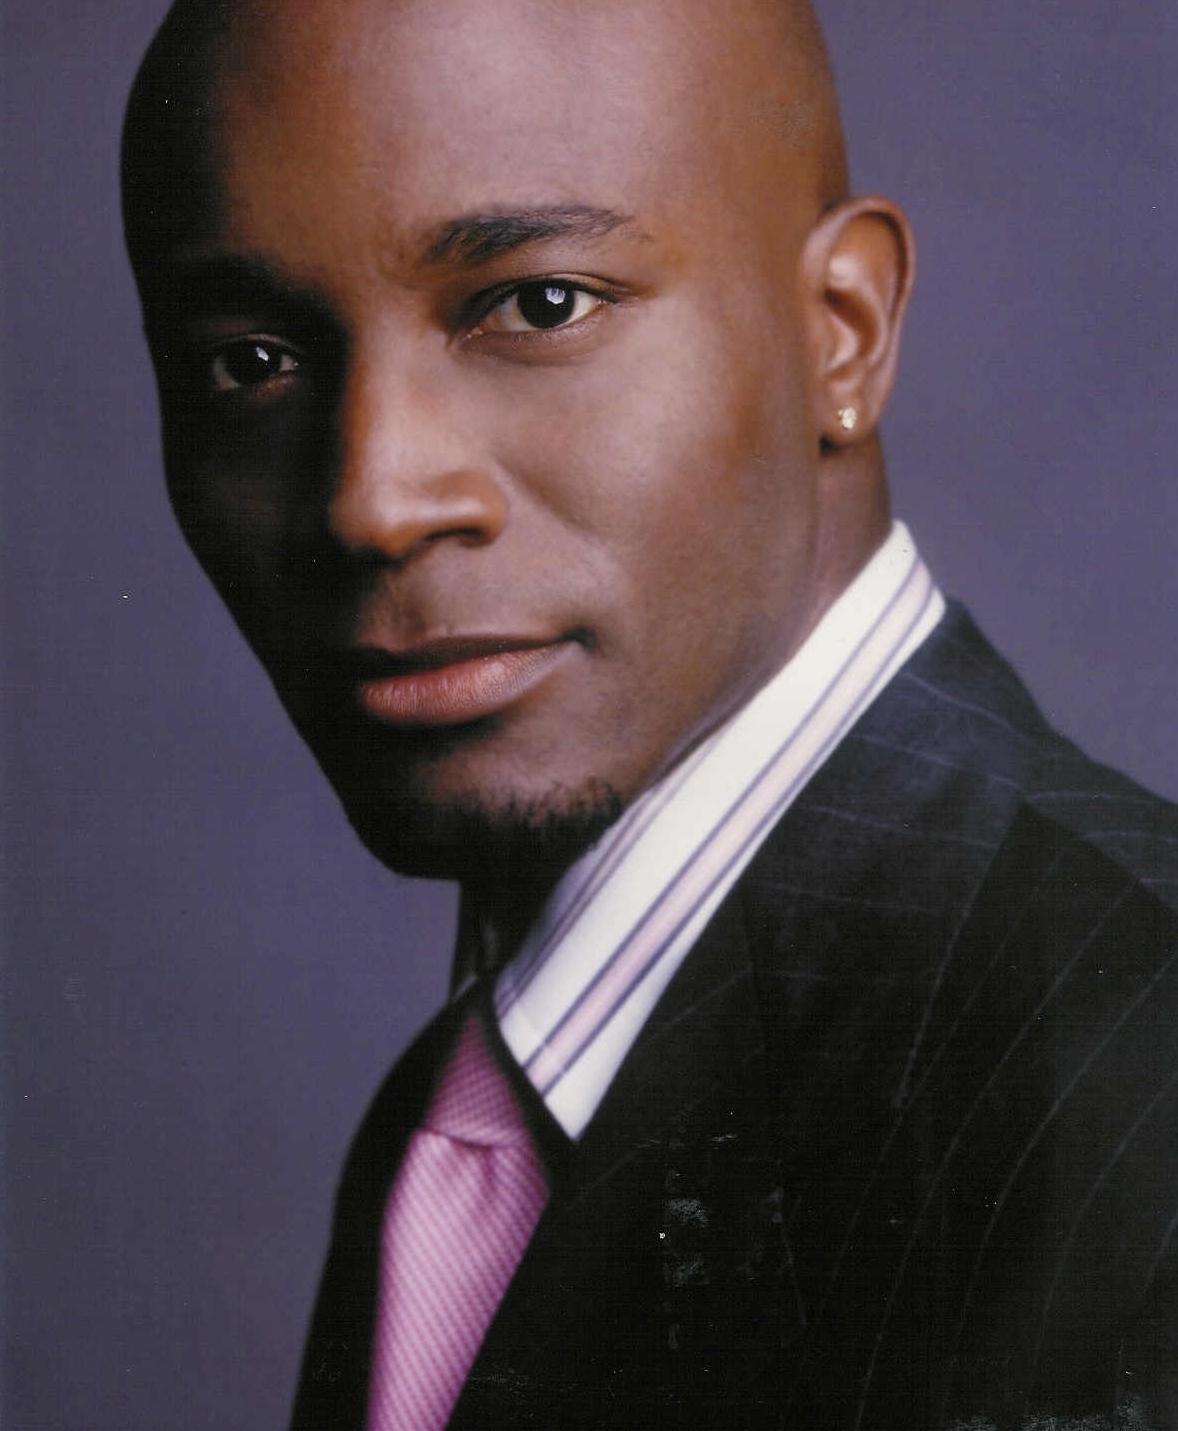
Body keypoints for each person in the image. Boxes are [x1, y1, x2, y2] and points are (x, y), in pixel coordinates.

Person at [120, 0, 1178, 1426]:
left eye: (539, 303)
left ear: (841, 334)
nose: (372, 499)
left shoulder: (1132, 1106)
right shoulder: (478, 1105)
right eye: (252, 361)